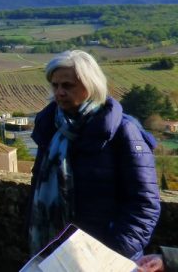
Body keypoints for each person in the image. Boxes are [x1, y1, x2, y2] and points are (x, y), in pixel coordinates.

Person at [29, 50, 160, 260]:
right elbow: (38, 186)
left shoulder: (123, 131)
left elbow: (143, 204)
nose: (60, 92)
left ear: (91, 85)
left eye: (68, 85)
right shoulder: (50, 128)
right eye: (55, 85)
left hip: (106, 256)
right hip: (59, 254)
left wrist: (109, 255)